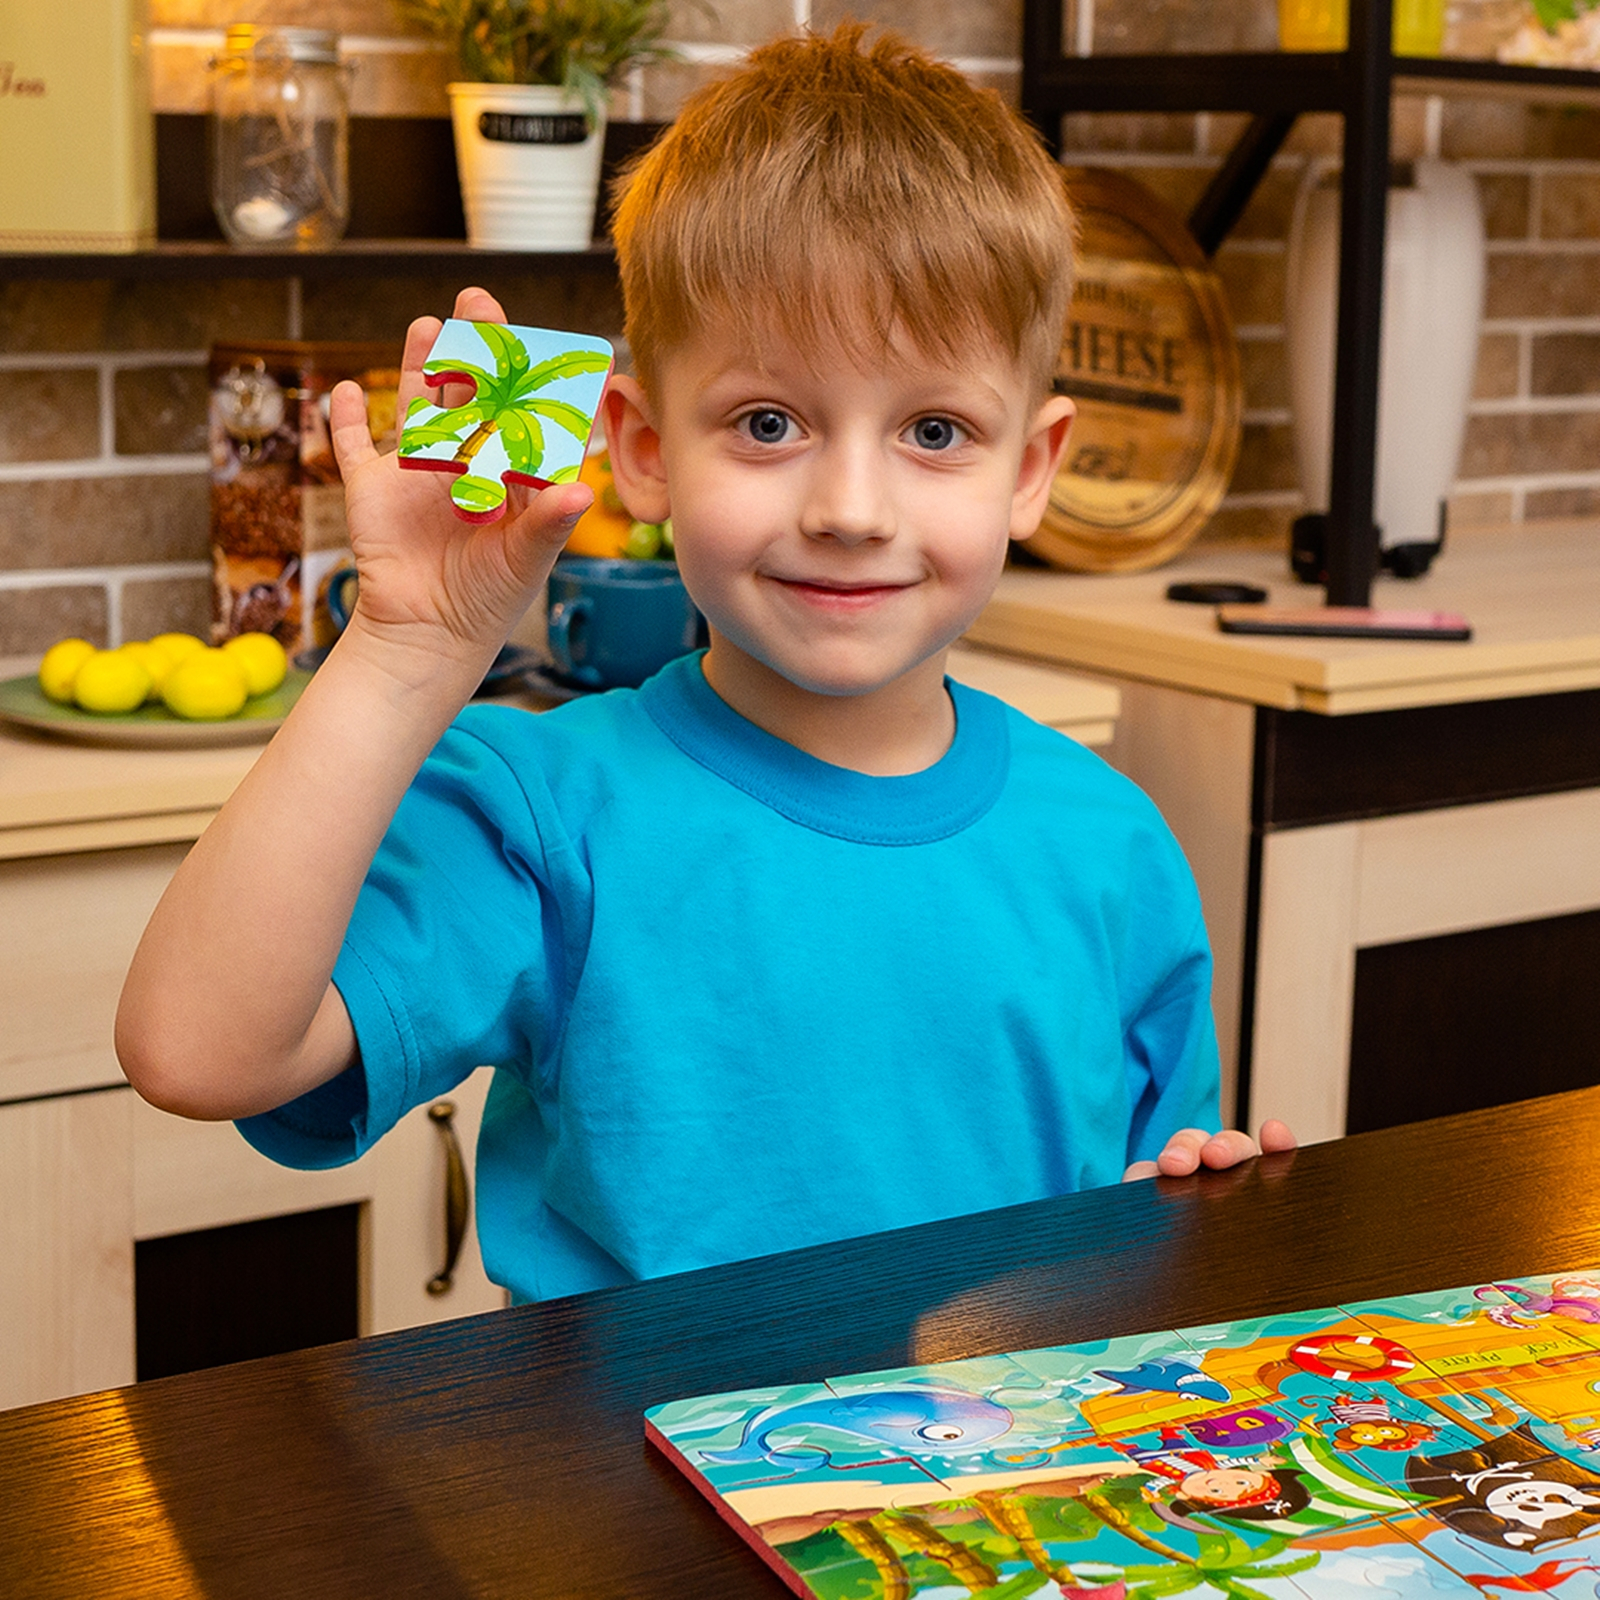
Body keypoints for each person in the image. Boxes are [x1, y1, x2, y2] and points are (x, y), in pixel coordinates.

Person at [116, 24, 1292, 1305]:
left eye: (935, 429)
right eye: (768, 422)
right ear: (641, 447)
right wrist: (406, 653)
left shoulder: (1112, 840)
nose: (851, 506)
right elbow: (196, 1052)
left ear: (1030, 469)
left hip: (994, 1497)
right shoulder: (538, 808)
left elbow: (1142, 1247)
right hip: (623, 1498)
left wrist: (1192, 1211)